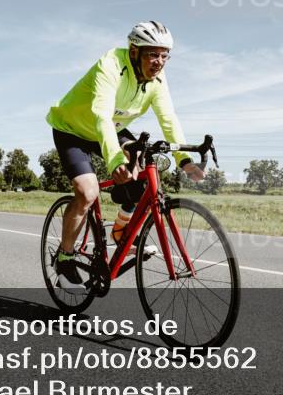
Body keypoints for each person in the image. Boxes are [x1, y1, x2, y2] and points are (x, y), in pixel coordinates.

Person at [45, 20, 204, 291]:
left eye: (165, 55)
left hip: (112, 129)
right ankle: (65, 258)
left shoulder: (157, 79)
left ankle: (120, 232)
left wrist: (185, 161)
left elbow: (168, 118)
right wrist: (115, 161)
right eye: (153, 54)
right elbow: (102, 117)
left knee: (140, 164)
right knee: (87, 192)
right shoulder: (110, 65)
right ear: (134, 51)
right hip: (72, 129)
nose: (159, 62)